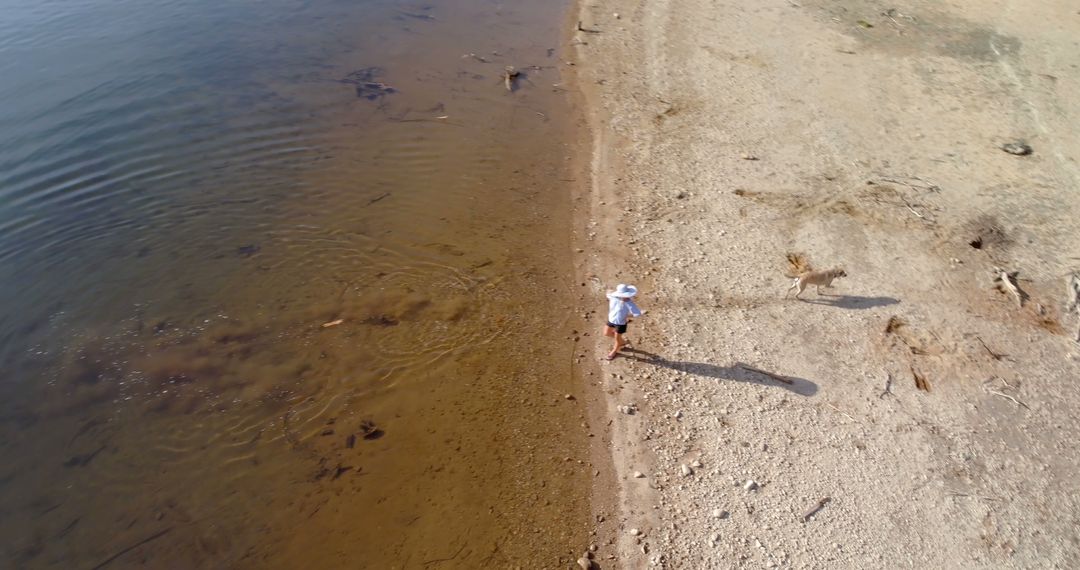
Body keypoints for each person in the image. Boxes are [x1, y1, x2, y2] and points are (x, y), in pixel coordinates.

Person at [603, 283, 642, 360]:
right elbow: (608, 293)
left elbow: (637, 313)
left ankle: (614, 351)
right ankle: (622, 342)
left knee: (617, 339)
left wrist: (626, 316)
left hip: (620, 324)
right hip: (611, 320)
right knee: (606, 333)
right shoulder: (613, 297)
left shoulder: (629, 303)